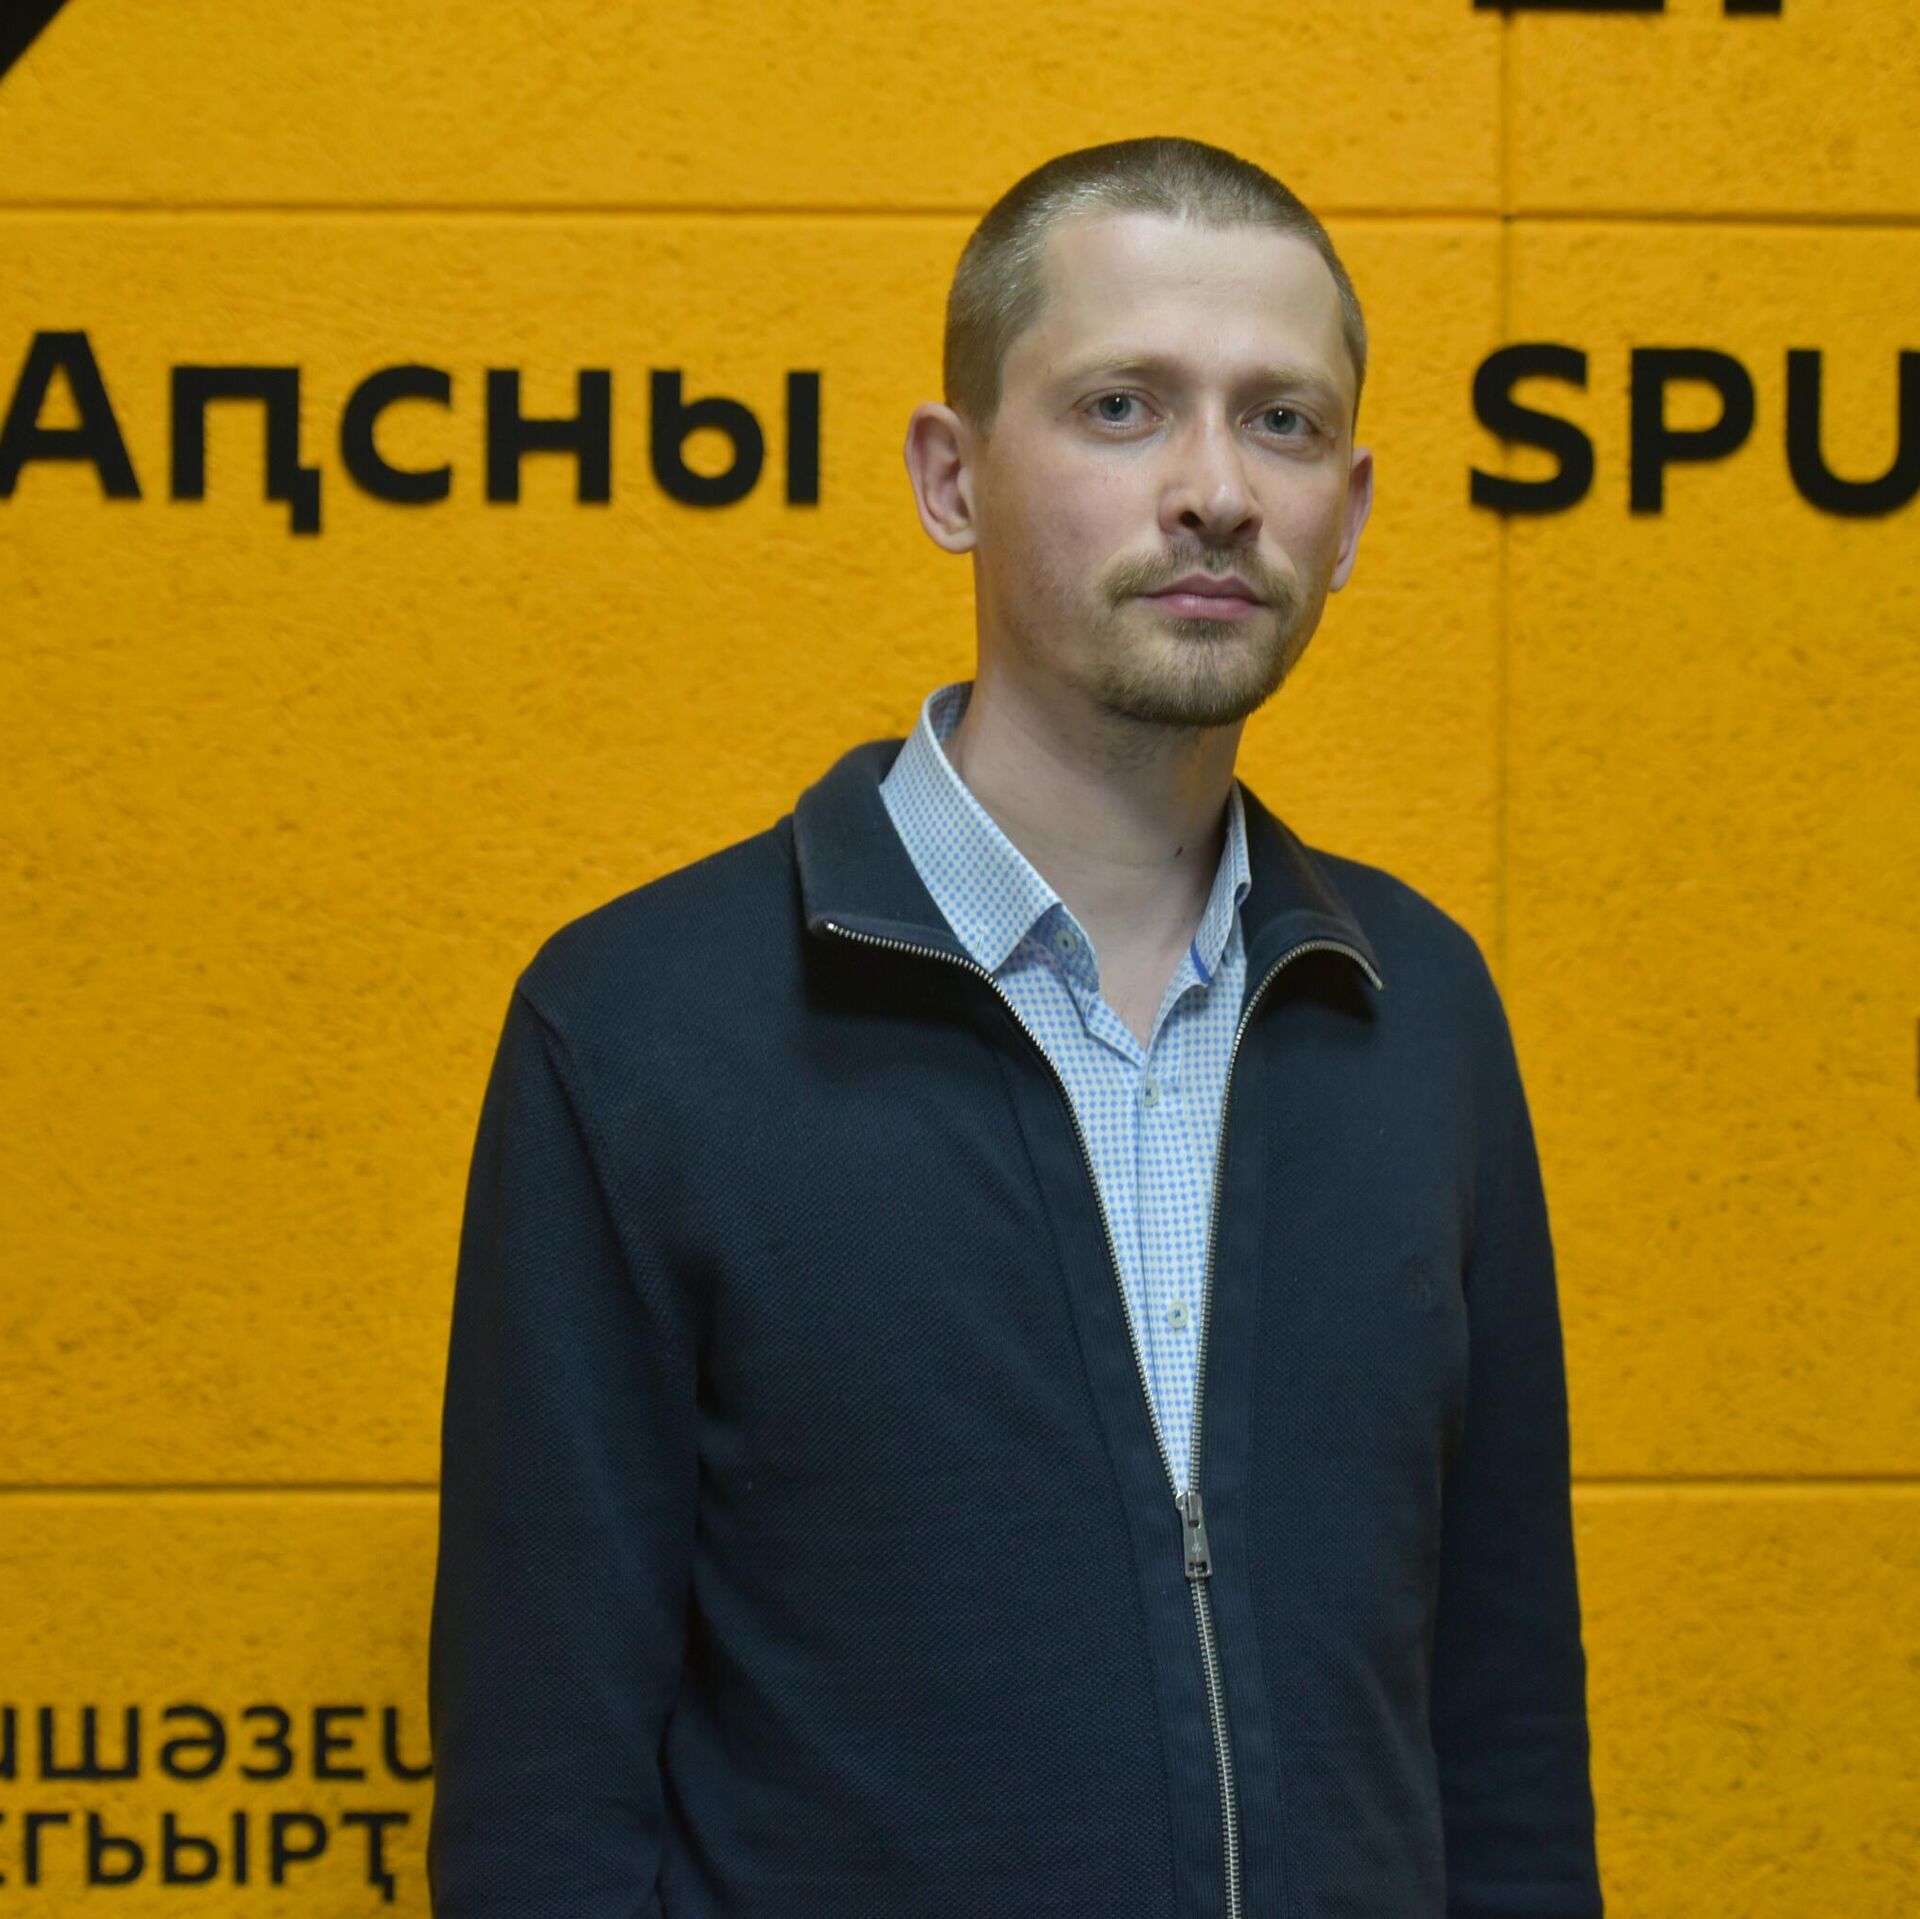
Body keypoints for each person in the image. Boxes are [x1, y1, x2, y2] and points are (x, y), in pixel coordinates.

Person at [426, 135, 1604, 1919]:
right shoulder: (640, 1030)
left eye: (1281, 423)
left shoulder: (1418, 1008)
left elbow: (1504, 1740)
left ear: (1352, 512)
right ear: (951, 475)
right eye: (1123, 407)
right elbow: (544, 1805)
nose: (1215, 491)